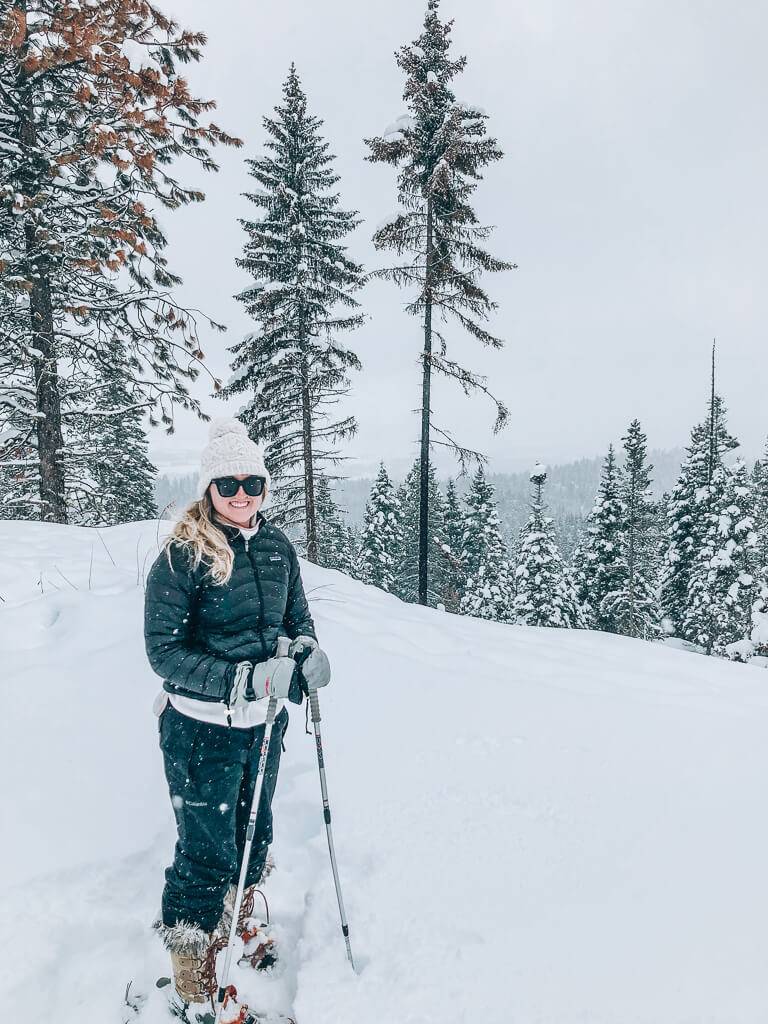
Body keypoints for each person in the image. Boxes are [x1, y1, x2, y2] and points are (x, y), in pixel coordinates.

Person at [144, 418, 330, 1022]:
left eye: (252, 480)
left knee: (257, 829)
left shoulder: (278, 549)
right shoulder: (182, 555)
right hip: (200, 727)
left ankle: (234, 921)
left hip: (264, 722)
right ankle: (192, 979)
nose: (242, 492)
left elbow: (295, 621)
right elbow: (163, 652)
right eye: (228, 482)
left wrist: (303, 653)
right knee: (206, 850)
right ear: (209, 488)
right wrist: (239, 679)